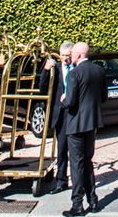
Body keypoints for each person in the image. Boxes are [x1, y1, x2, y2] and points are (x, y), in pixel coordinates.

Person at [61, 42, 107, 216]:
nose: (70, 57)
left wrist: (63, 99)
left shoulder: (74, 73)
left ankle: (77, 204)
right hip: (92, 123)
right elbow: (104, 98)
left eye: (72, 54)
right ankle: (93, 201)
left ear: (79, 55)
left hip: (76, 124)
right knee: (87, 161)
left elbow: (70, 101)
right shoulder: (99, 71)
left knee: (76, 164)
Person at [39, 40, 74, 193]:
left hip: (74, 112)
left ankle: (80, 180)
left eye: (67, 56)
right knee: (61, 148)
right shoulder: (56, 69)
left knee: (76, 149)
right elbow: (42, 88)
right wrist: (46, 71)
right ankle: (61, 180)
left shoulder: (78, 68)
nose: (64, 58)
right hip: (60, 113)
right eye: (62, 55)